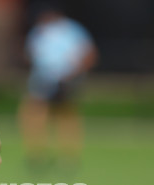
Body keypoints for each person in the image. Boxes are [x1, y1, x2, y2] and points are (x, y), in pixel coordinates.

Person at [18, 4, 98, 170]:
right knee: (34, 114)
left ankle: (68, 157)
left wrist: (73, 74)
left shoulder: (72, 30)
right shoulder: (39, 31)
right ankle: (37, 154)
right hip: (43, 78)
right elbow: (30, 54)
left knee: (65, 116)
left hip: (66, 78)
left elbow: (89, 55)